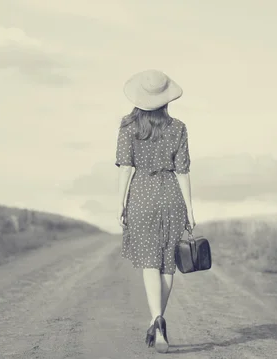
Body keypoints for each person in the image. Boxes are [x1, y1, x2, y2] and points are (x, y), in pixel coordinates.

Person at [115, 69, 196, 353]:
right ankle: (158, 320)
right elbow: (183, 172)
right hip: (172, 196)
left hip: (141, 197)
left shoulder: (128, 126)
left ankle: (156, 320)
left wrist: (121, 202)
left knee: (150, 262)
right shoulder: (179, 128)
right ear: (166, 99)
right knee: (167, 263)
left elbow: (126, 167)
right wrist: (190, 209)